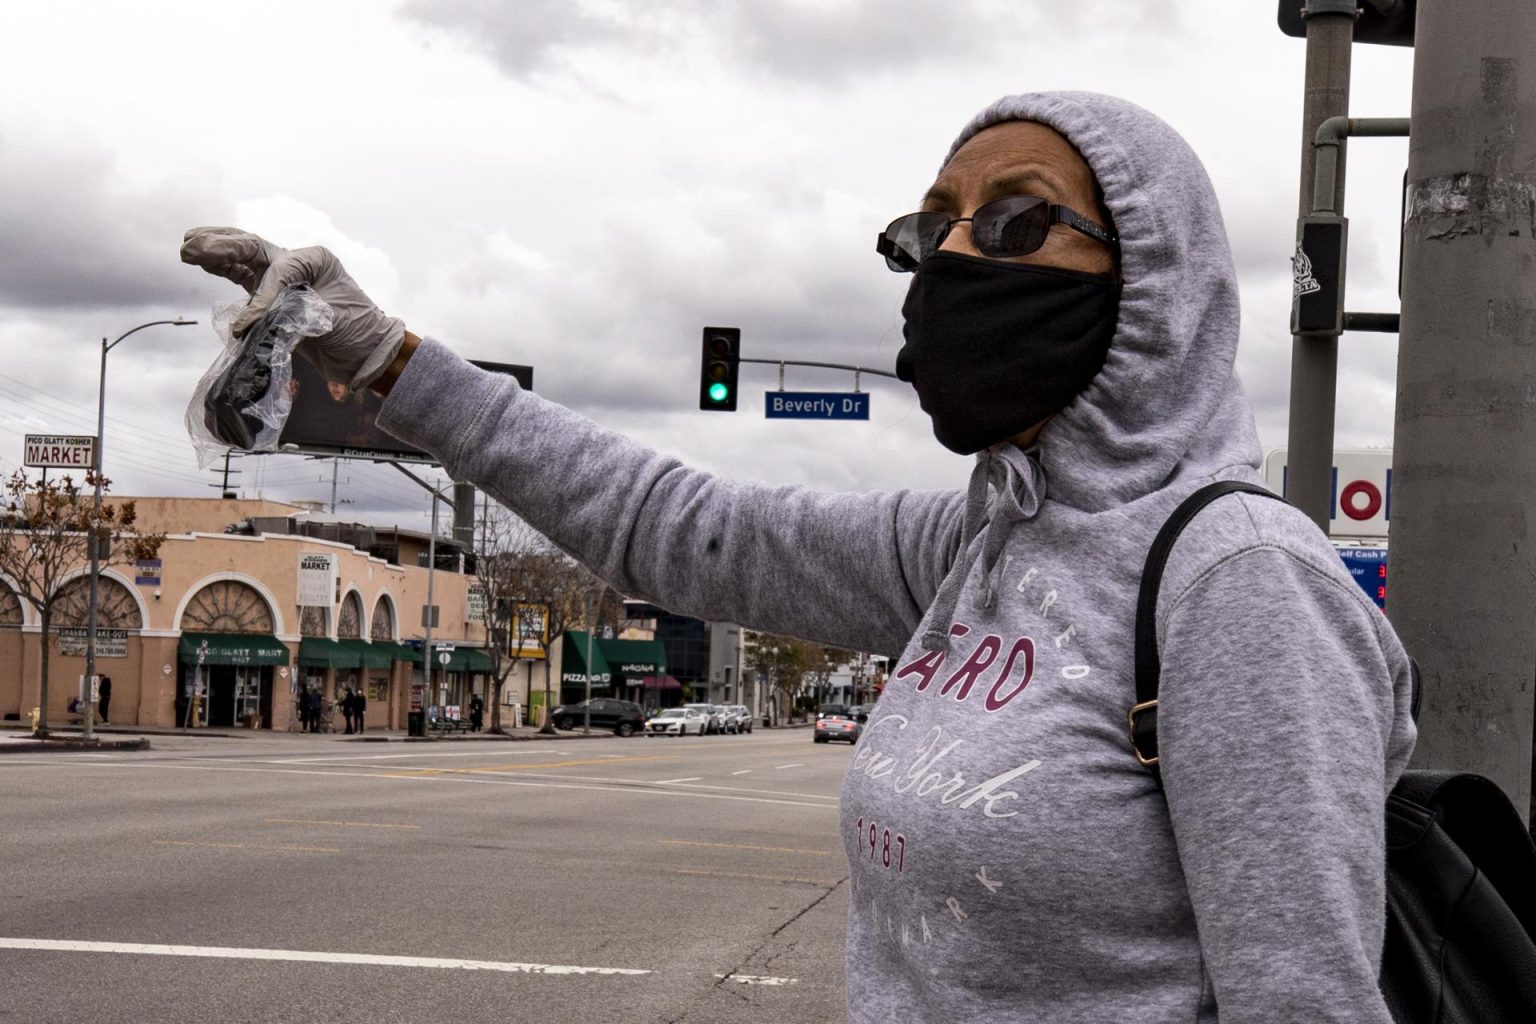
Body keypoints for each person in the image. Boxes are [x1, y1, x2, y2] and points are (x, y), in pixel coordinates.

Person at [182, 92, 1417, 1023]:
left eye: (1018, 221)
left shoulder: (1238, 584)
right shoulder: (974, 542)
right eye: (930, 231)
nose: (954, 261)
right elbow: (672, 521)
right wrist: (392, 359)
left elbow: (1306, 1004)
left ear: (1157, 278)